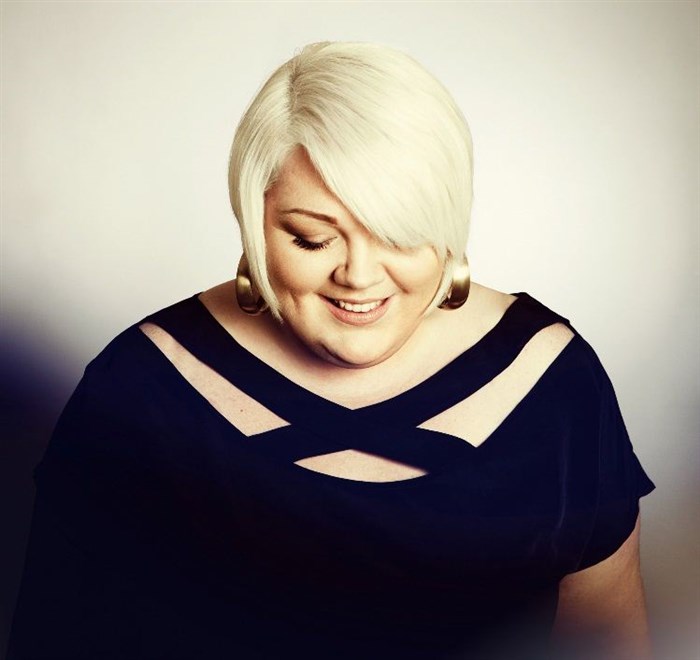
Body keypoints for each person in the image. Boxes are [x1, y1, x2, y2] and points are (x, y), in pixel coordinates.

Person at [8, 41, 654, 659]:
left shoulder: (553, 381)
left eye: (398, 235)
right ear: (254, 221)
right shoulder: (138, 387)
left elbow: (607, 642)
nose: (359, 276)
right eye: (313, 239)